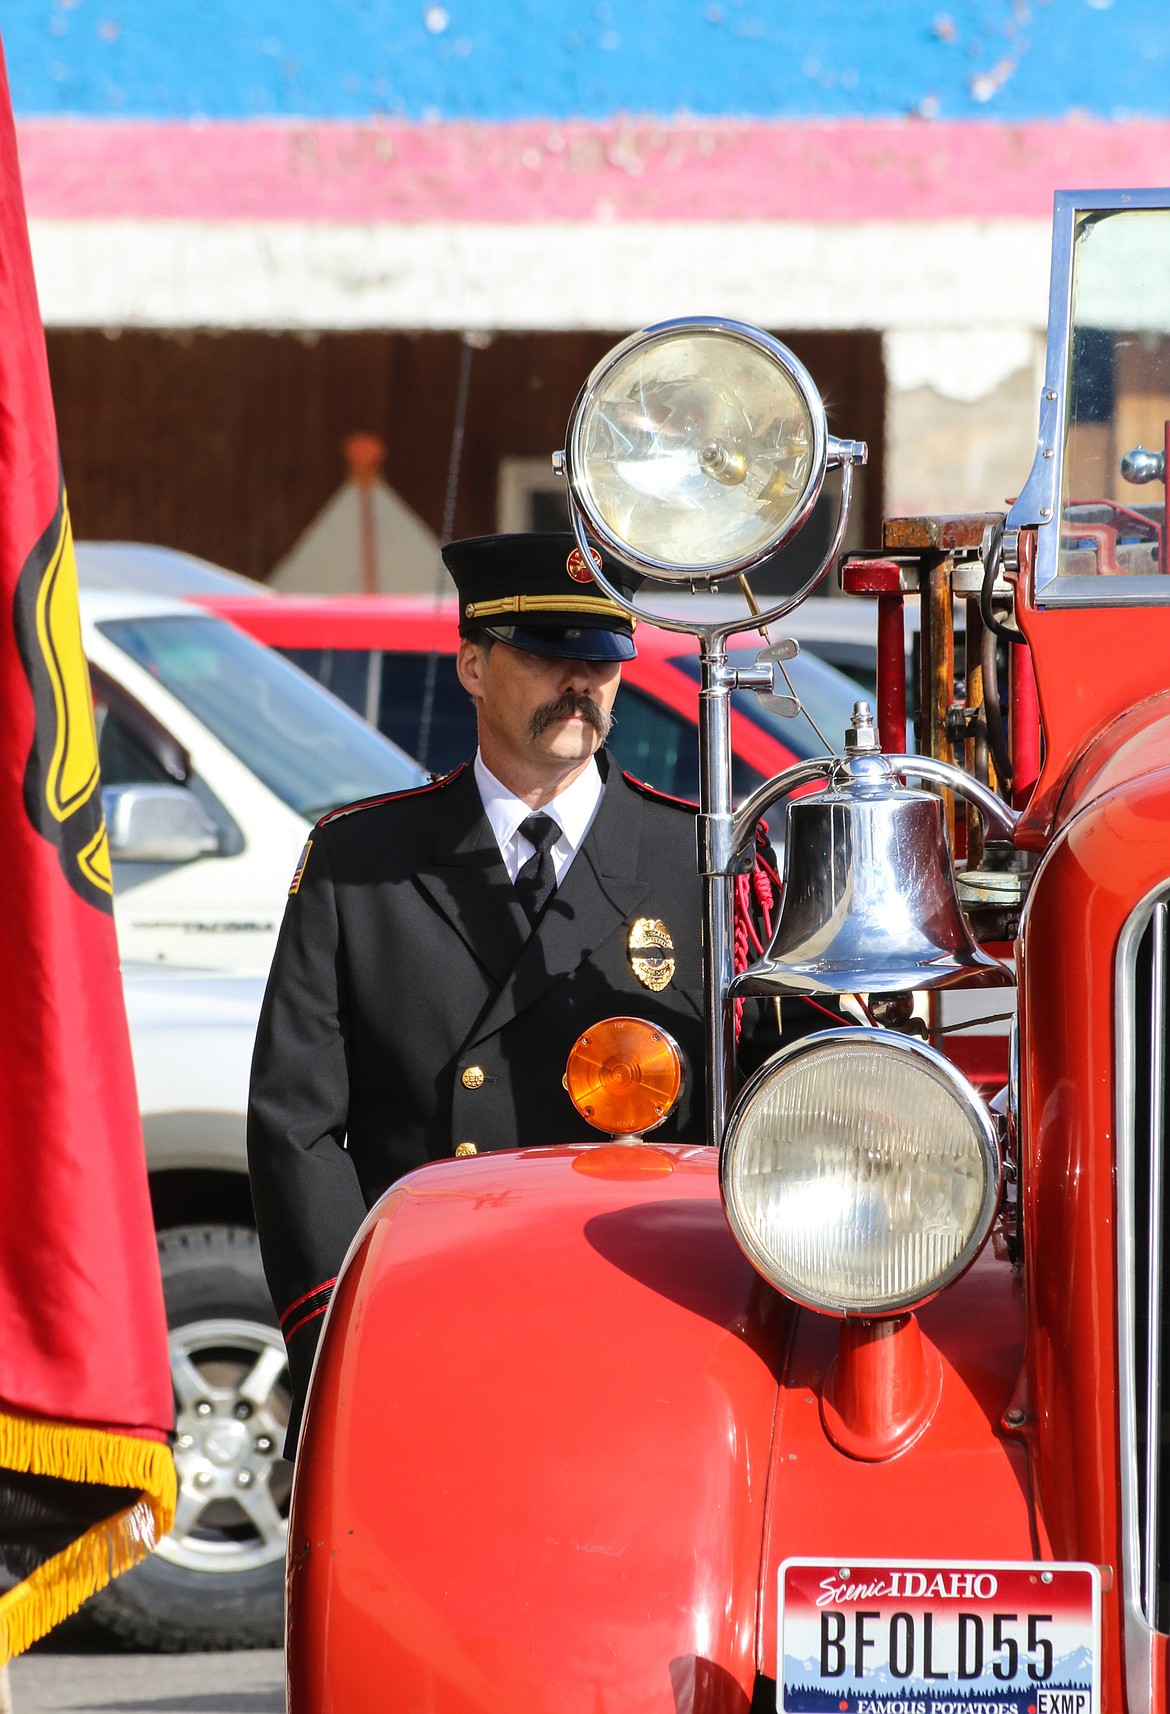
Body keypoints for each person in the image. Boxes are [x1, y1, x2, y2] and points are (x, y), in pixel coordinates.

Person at [248, 531, 796, 1443]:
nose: (580, 682)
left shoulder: (706, 860)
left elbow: (777, 1104)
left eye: (601, 659)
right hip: (432, 1323)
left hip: (650, 1323)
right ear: (472, 663)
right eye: (547, 656)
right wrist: (347, 1321)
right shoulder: (361, 860)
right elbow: (295, 1124)